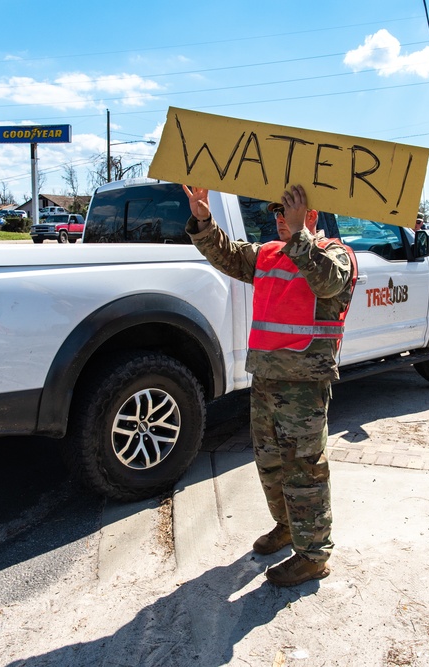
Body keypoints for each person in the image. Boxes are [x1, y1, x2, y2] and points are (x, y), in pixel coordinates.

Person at [181, 183, 357, 587]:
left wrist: (300, 236)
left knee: (304, 470)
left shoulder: (335, 254)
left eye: (291, 210)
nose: (282, 218)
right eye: (279, 213)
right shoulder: (268, 253)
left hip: (304, 386)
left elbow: (328, 283)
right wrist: (204, 219)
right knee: (271, 464)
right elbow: (225, 254)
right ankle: (286, 527)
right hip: (266, 379)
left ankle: (313, 555)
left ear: (312, 215)